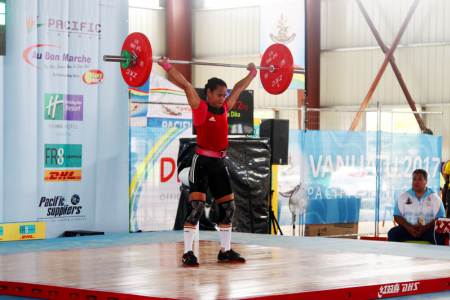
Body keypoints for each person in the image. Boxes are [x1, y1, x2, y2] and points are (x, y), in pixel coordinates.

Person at [158, 57, 257, 266]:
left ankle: (225, 250)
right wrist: (167, 66)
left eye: (224, 95)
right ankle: (187, 252)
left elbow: (239, 88)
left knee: (228, 208)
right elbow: (185, 84)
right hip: (201, 163)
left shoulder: (224, 109)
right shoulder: (200, 107)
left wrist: (252, 73)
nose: (222, 98)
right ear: (208, 93)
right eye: (218, 94)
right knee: (196, 207)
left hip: (220, 165)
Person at [388, 169, 445, 245]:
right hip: (408, 230)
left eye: (420, 179)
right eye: (414, 179)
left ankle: (439, 256)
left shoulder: (434, 198)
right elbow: (397, 216)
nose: (416, 181)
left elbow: (440, 218)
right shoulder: (404, 197)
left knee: (438, 235)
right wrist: (409, 228)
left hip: (427, 230)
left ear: (426, 181)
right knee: (393, 232)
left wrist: (425, 228)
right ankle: (393, 256)